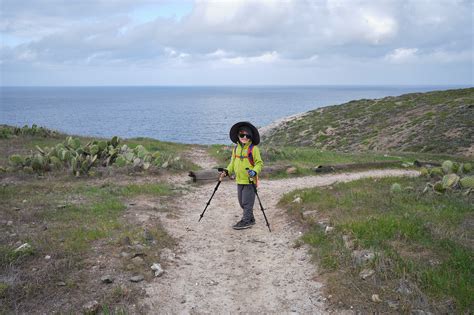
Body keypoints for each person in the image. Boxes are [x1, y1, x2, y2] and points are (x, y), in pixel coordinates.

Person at [220, 121, 263, 230]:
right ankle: (251, 218)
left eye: (247, 135)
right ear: (238, 136)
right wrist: (227, 171)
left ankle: (246, 221)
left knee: (247, 202)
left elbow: (259, 163)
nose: (244, 137)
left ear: (250, 137)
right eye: (241, 135)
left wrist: (254, 171)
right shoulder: (236, 148)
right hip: (239, 180)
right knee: (241, 202)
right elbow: (232, 163)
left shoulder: (254, 149)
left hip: (249, 181)